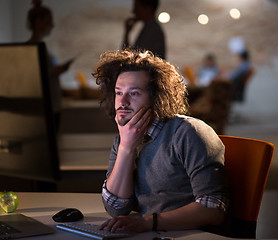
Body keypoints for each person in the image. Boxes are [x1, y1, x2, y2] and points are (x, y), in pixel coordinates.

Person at [92, 49, 229, 233]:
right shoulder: (124, 138)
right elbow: (116, 208)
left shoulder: (188, 133)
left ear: (156, 97)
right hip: (149, 233)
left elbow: (213, 209)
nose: (122, 102)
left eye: (133, 93)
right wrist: (126, 148)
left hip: (188, 235)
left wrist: (148, 223)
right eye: (118, 92)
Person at [26, 0, 74, 130]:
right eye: (48, 21)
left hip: (49, 104)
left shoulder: (38, 47)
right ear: (38, 22)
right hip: (46, 105)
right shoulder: (34, 48)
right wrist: (59, 70)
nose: (51, 25)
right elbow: (41, 74)